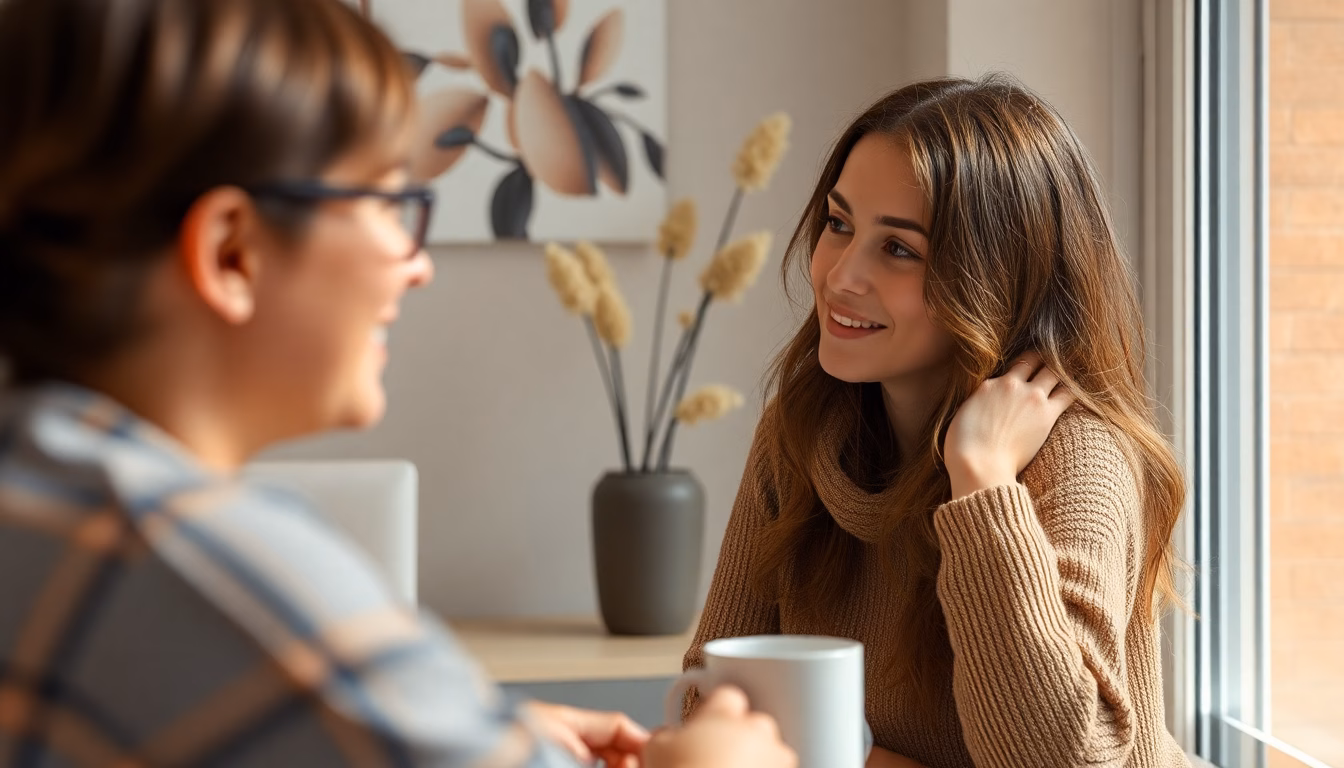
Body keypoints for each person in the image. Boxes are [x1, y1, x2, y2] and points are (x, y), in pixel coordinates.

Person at [0, 0, 796, 765]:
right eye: (387, 201)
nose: (416, 265)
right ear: (231, 252)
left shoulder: (41, 496)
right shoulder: (226, 570)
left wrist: (472, 732)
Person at [684, 76, 1191, 768]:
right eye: (839, 224)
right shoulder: (803, 431)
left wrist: (981, 480)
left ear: (998, 277)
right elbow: (711, 711)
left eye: (898, 250)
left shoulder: (1079, 457)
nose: (838, 277)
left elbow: (1055, 761)